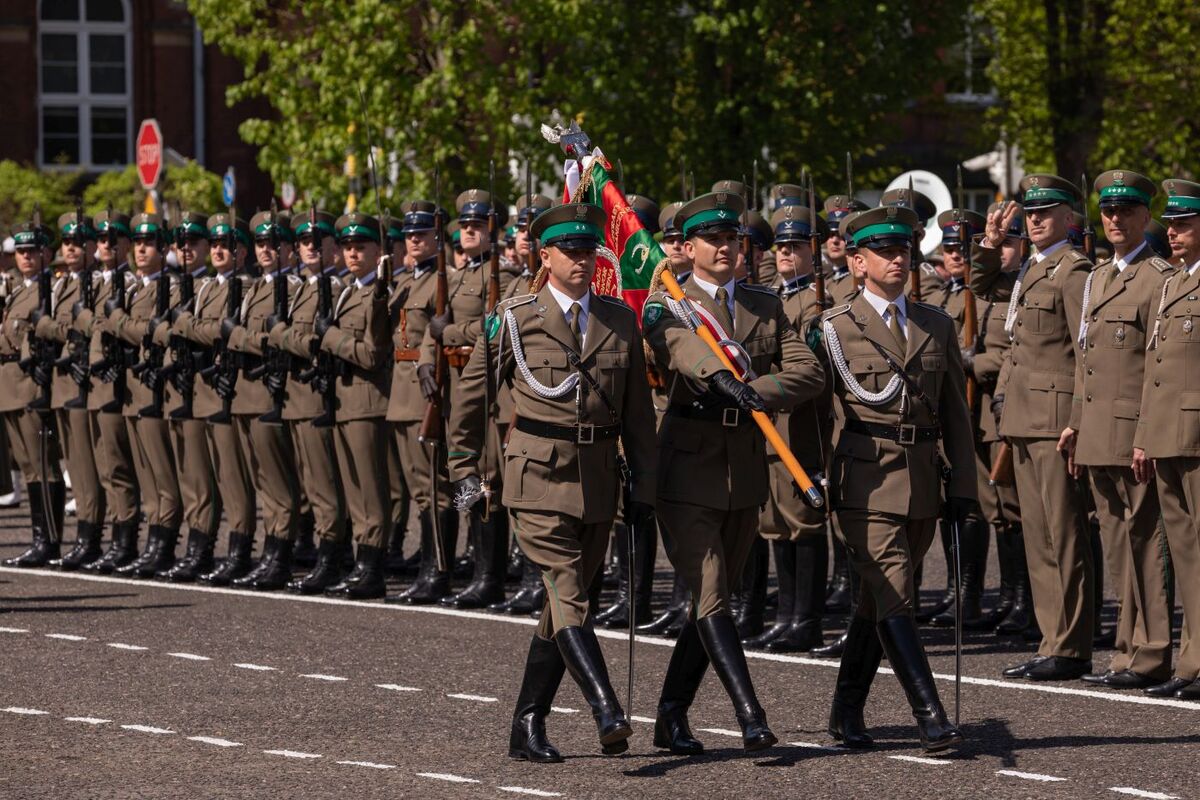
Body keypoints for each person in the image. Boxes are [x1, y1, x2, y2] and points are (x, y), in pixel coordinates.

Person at [449, 202, 655, 761]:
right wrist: (463, 467)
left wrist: (644, 484)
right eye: (570, 251)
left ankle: (527, 722)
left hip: (597, 477)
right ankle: (606, 708)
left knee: (568, 603)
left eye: (589, 250)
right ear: (545, 256)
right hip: (536, 475)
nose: (582, 260)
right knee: (567, 589)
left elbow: (638, 414)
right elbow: (471, 397)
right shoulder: (515, 318)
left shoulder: (619, 319)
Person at [643, 191, 824, 754]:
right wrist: (720, 378)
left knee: (710, 599)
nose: (724, 248)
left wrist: (756, 391)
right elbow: (679, 349)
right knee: (712, 593)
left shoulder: (764, 304)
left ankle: (671, 713)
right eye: (712, 239)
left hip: (744, 465)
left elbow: (809, 370)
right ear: (688, 247)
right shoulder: (668, 302)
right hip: (688, 464)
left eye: (731, 239)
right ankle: (751, 714)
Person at [821, 204, 976, 752]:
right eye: (883, 252)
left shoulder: (936, 324)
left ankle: (845, 710)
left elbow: (955, 411)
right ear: (857, 263)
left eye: (902, 250)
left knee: (876, 597)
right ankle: (930, 716)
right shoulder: (835, 327)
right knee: (895, 591)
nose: (897, 259)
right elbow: (813, 413)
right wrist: (810, 477)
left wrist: (963, 487)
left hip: (922, 480)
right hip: (864, 481)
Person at [973, 175, 1095, 682]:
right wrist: (991, 241)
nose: (1037, 219)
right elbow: (981, 286)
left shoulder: (1073, 270)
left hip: (1054, 420)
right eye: (1031, 212)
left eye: (1047, 212)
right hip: (1023, 418)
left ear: (1069, 218)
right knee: (1038, 538)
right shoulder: (1031, 267)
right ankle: (1052, 640)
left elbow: (1086, 353)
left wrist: (1078, 420)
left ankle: (1070, 645)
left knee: (1062, 535)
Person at [1070, 170, 1174, 690]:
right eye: (1108, 211)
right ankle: (1126, 650)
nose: (1115, 219)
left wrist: (1148, 433)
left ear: (1145, 216)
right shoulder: (1098, 277)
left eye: (1126, 211)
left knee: (1146, 543)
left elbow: (1160, 365)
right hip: (1097, 432)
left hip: (1134, 432)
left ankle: (1152, 653)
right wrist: (1074, 423)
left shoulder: (1158, 278)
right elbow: (1084, 358)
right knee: (1118, 548)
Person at [743, 202, 832, 654]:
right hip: (770, 425)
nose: (785, 252)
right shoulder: (772, 298)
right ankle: (786, 616)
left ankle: (807, 620)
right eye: (781, 245)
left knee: (804, 522)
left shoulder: (819, 300)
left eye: (795, 245)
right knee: (776, 524)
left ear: (814, 251)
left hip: (802, 425)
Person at [1133, 178, 1200, 700]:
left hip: (1196, 434)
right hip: (1168, 434)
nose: (1172, 232)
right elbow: (1155, 368)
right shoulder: (1174, 282)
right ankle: (1192, 661)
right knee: (1186, 554)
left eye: (1184, 224)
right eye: (1171, 224)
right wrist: (1144, 436)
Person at [311, 212, 394, 599]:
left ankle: (372, 566)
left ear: (378, 251)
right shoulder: (345, 291)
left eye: (361, 247)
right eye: (347, 248)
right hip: (344, 401)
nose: (353, 254)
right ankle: (362, 562)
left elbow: (372, 354)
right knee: (353, 489)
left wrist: (330, 338)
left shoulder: (379, 292)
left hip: (367, 402)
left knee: (370, 491)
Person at [221, 210, 302, 589]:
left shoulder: (294, 289)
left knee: (277, 485)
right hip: (245, 394)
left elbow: (279, 339)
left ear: (289, 248)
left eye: (274, 243)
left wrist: (238, 337)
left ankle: (279, 555)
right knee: (255, 478)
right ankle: (264, 554)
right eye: (261, 243)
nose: (266, 250)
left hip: (271, 395)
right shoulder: (255, 288)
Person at [386, 200, 459, 605]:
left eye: (422, 234)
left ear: (437, 237)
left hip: (424, 391)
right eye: (409, 234)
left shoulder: (441, 282)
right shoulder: (405, 281)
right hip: (401, 392)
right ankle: (428, 567)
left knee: (435, 488)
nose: (414, 240)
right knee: (420, 488)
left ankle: (438, 571)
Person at [106, 214, 182, 577]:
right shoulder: (135, 288)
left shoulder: (171, 288)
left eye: (149, 243)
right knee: (145, 473)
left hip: (156, 391)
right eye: (137, 243)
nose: (140, 249)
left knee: (163, 474)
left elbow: (162, 331)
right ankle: (153, 541)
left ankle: (164, 544)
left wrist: (120, 323)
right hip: (133, 391)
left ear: (163, 249)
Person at [0, 217, 65, 567]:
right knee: (28, 467)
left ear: (47, 254)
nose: (25, 256)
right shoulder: (18, 289)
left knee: (44, 465)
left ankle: (49, 541)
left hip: (31, 383)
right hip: (10, 384)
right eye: (21, 251)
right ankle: (39, 538)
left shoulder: (50, 290)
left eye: (33, 251)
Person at [82, 210, 141, 574]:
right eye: (102, 239)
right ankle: (114, 540)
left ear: (126, 245)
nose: (106, 245)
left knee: (118, 466)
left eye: (113, 239)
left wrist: (87, 320)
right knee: (104, 466)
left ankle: (125, 541)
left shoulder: (129, 283)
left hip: (117, 385)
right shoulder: (94, 282)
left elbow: (112, 325)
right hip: (94, 385)